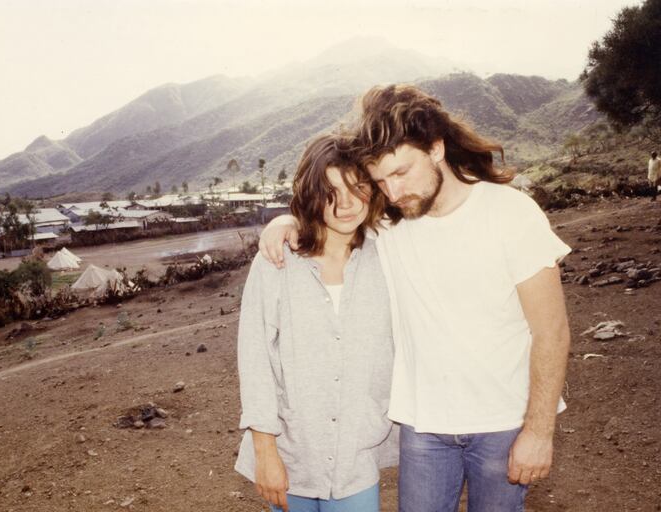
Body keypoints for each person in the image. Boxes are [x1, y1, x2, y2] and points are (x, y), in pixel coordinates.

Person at [260, 85, 571, 512]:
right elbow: (334, 219)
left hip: (503, 425)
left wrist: (539, 432)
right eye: (381, 180)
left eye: (402, 172)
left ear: (437, 149)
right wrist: (283, 222)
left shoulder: (511, 213)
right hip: (423, 429)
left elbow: (551, 332)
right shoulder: (392, 224)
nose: (393, 191)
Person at [235, 134, 398, 512]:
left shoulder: (388, 254)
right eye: (330, 191)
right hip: (293, 455)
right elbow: (256, 360)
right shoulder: (277, 263)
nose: (346, 204)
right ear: (310, 194)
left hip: (357, 457)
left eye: (357, 188)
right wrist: (265, 453)